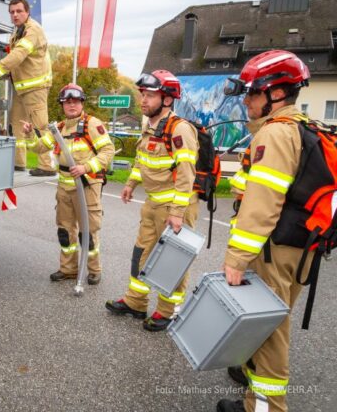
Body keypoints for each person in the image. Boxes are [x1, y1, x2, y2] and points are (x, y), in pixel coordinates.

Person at [216, 50, 313, 412]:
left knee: (270, 331)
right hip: (300, 246)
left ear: (276, 94)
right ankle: (250, 380)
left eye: (252, 92)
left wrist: (237, 259)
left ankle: (264, 408)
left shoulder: (273, 135)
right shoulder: (303, 128)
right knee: (271, 323)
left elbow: (262, 203)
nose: (246, 100)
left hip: (274, 250)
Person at [105, 70, 199, 332]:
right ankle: (136, 302)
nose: (143, 100)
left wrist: (178, 212)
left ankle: (167, 312)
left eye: (150, 95)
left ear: (167, 100)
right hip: (152, 205)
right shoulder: (150, 126)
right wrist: (130, 183)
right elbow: (142, 160)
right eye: (142, 94)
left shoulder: (180, 129)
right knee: (141, 254)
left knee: (173, 262)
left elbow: (186, 174)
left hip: (175, 207)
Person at [22, 84, 114, 284]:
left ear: (82, 103)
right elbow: (39, 148)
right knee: (65, 231)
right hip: (64, 187)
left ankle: (94, 270)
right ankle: (68, 269)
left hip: (86, 185)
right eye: (67, 102)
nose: (71, 105)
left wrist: (87, 167)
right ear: (63, 105)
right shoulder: (59, 128)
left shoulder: (92, 124)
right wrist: (29, 134)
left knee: (88, 232)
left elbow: (108, 151)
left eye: (75, 101)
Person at [0, 0, 54, 176]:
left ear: (27, 12)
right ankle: (19, 163)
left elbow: (20, 53)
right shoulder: (18, 31)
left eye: (19, 11)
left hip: (36, 87)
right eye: (12, 12)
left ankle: (46, 165)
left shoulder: (33, 30)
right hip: (21, 87)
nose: (15, 15)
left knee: (40, 125)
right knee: (17, 123)